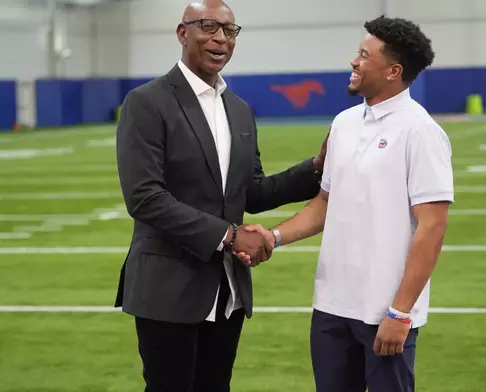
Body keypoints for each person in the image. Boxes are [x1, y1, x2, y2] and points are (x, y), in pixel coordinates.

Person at [114, 1, 327, 391]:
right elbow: (144, 198)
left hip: (227, 288)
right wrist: (229, 236)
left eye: (229, 31)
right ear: (183, 33)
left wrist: (315, 167)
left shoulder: (239, 109)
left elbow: (252, 192)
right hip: (168, 287)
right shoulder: (146, 102)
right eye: (208, 27)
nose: (220, 38)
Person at [238, 15, 453, 392]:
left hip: (384, 312)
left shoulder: (421, 132)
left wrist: (400, 312)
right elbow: (325, 203)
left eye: (364, 55)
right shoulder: (344, 123)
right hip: (332, 307)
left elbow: (432, 227)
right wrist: (273, 237)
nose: (353, 62)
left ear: (393, 71)